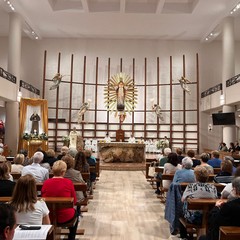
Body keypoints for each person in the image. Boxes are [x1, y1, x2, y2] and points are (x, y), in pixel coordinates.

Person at [42, 160, 79, 240]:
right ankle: (71, 238)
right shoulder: (68, 182)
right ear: (63, 172)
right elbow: (74, 201)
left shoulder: (46, 183)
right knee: (77, 214)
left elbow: (43, 199)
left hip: (49, 216)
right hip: (65, 217)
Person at [180, 166, 218, 239]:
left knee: (181, 208)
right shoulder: (212, 187)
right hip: (208, 217)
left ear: (195, 177)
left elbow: (182, 199)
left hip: (194, 218)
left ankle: (184, 235)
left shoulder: (191, 186)